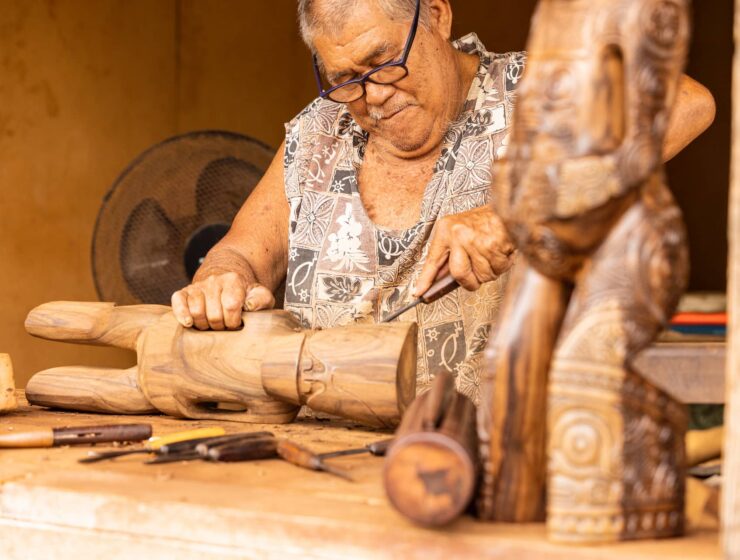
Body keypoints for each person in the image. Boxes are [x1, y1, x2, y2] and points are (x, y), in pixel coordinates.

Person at [171, 0, 715, 401]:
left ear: (437, 16)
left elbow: (690, 104)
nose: (373, 93)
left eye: (383, 61)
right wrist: (222, 276)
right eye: (346, 79)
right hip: (321, 452)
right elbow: (243, 252)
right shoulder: (318, 133)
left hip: (493, 459)